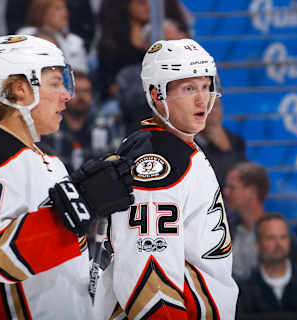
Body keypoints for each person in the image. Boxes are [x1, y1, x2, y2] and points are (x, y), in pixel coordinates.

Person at [0, 35, 134, 318]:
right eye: (56, 83)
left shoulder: (50, 160)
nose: (67, 95)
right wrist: (79, 207)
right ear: (20, 89)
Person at [93, 38, 238, 319]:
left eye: (206, 86)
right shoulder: (159, 162)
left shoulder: (178, 147)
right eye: (188, 88)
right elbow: (149, 278)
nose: (202, 99)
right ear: (157, 95)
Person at [224, 162, 297, 280]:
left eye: (232, 187)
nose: (225, 192)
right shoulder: (225, 232)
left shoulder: (286, 240)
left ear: (251, 191)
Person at [237, 213, 297, 314]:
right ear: (257, 244)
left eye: (283, 237)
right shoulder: (244, 290)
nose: (278, 244)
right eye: (270, 238)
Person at [116, 18, 189, 136]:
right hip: (142, 137)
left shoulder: (190, 74)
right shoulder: (129, 75)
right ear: (148, 45)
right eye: (168, 43)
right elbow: (129, 106)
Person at [41, 71, 123, 171]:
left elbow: (116, 163)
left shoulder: (106, 124)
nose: (81, 97)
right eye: (76, 91)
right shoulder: (49, 127)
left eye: (86, 91)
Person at [17, 0, 89, 73]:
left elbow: (82, 74)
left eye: (65, 8)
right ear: (42, 11)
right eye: (58, 8)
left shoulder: (75, 40)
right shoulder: (26, 36)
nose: (65, 13)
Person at [196, 96, 247, 188]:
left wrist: (226, 150)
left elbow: (243, 179)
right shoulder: (187, 143)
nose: (213, 111)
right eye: (208, 106)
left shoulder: (234, 140)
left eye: (216, 105)